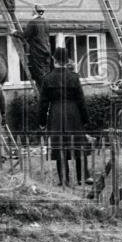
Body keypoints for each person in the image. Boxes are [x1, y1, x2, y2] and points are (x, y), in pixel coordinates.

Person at [39, 47, 91, 185]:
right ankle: (83, 177)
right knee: (79, 145)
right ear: (67, 60)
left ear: (54, 60)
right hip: (74, 113)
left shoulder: (47, 79)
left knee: (60, 146)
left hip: (56, 114)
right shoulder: (74, 77)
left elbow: (43, 103)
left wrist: (42, 121)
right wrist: (85, 119)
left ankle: (64, 179)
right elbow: (81, 100)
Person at [24, 4, 51, 90]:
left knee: (39, 74)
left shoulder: (33, 22)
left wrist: (15, 32)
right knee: (46, 73)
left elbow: (25, 35)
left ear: (34, 11)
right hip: (47, 50)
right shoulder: (46, 22)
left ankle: (43, 94)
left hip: (37, 51)